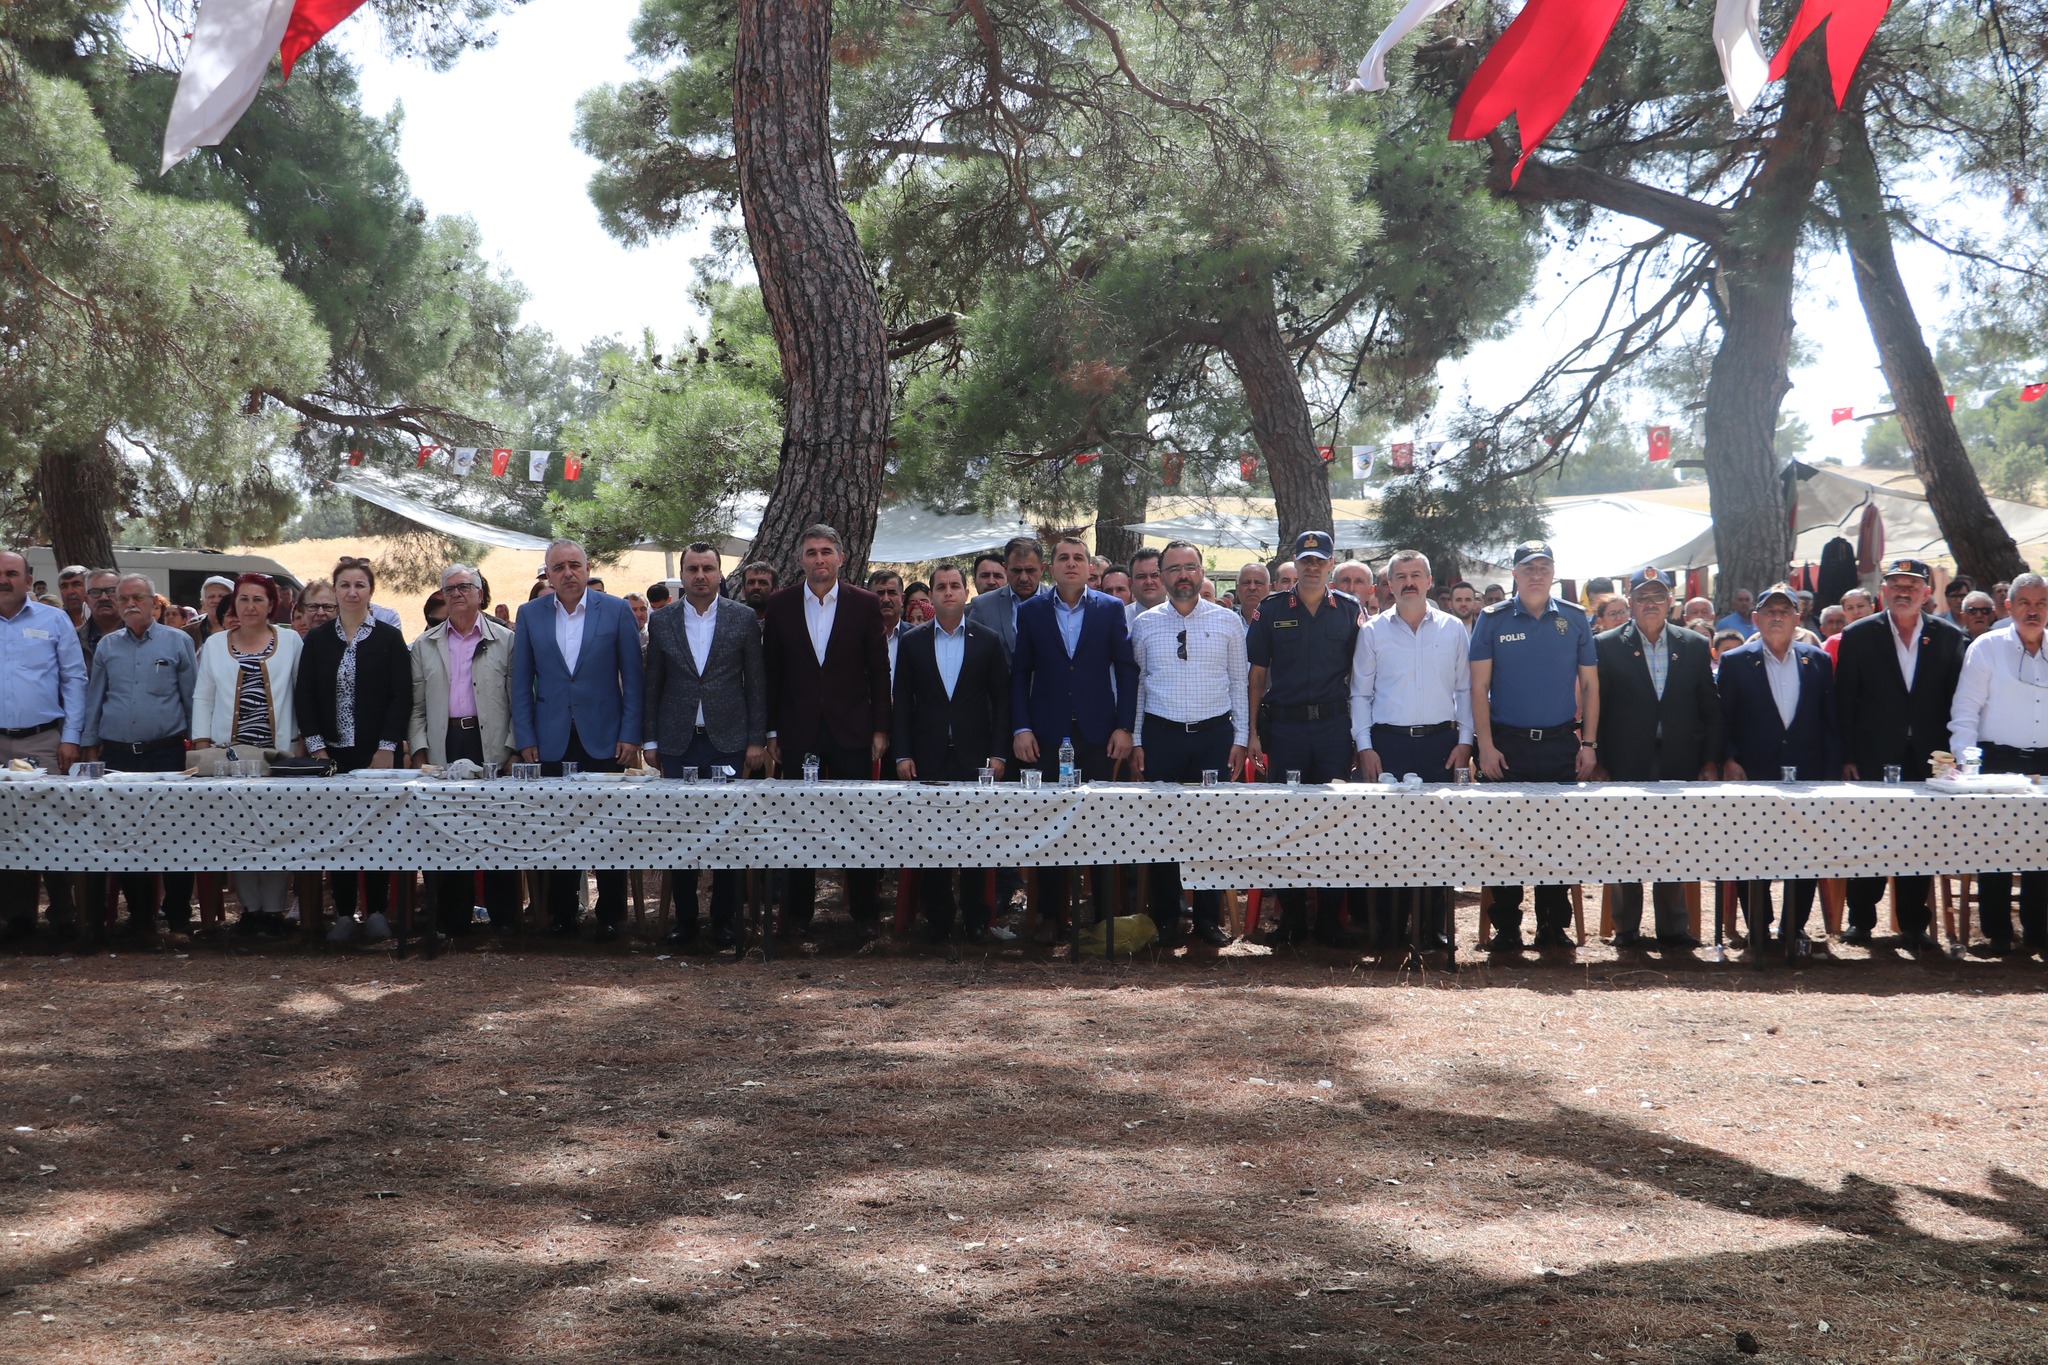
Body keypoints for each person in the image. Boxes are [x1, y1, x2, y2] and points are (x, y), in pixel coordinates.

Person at [511, 539, 645, 941]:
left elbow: (634, 680)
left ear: (587, 569)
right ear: (548, 575)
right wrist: (525, 736)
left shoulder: (616, 610)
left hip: (606, 738)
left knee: (609, 829)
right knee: (557, 827)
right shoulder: (530, 614)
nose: (568, 573)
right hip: (549, 739)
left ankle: (611, 915)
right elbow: (521, 682)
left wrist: (630, 733)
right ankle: (562, 913)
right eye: (558, 567)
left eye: (574, 565)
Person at [1468, 541, 1599, 952]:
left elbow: (1590, 685)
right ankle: (1506, 928)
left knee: (1557, 840)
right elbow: (1478, 687)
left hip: (1560, 743)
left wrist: (1589, 743)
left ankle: (1552, 926)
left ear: (1554, 572)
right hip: (1507, 745)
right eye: (1528, 568)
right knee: (1503, 840)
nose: (1537, 575)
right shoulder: (1492, 619)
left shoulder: (1574, 618)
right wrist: (1485, 746)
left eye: (1544, 567)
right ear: (1515, 574)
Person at [1833, 557, 1968, 952]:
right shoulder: (1858, 634)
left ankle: (1913, 924)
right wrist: (1848, 755)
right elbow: (1845, 701)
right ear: (1883, 592)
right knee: (1869, 836)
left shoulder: (1948, 636)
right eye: (1896, 585)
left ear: (1927, 593)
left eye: (1912, 586)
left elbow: (1956, 701)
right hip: (1873, 756)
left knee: (1919, 838)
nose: (1903, 592)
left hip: (1930, 759)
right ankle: (1861, 921)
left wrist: (1954, 755)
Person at [763, 525, 891, 935]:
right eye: (811, 552)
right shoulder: (780, 604)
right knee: (799, 823)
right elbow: (772, 673)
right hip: (798, 731)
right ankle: (797, 915)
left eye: (826, 551)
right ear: (800, 559)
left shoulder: (864, 603)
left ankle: (865, 913)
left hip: (852, 730)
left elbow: (879, 670)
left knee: (858, 822)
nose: (819, 559)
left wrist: (880, 729)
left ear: (840, 558)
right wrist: (771, 732)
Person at [642, 543, 766, 951]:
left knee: (727, 834)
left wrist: (755, 740)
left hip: (727, 742)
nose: (700, 576)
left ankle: (724, 920)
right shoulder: (663, 620)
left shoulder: (742, 618)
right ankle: (686, 920)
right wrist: (651, 739)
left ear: (719, 574)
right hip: (677, 742)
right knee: (681, 834)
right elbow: (653, 683)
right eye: (693, 569)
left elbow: (756, 683)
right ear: (682, 575)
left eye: (707, 568)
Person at [1012, 536, 1136, 932]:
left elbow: (1126, 670)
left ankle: (1103, 918)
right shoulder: (1031, 611)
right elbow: (1020, 674)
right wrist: (1022, 727)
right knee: (1051, 827)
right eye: (1063, 558)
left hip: (1099, 735)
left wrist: (1125, 726)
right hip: (1047, 736)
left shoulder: (1110, 608)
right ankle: (1051, 916)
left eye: (1078, 558)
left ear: (1089, 568)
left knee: (1101, 825)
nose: (1071, 564)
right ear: (1051, 568)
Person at [1592, 567, 1721, 949]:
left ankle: (1674, 928)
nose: (1651, 603)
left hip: (1680, 758)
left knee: (1674, 841)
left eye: (1658, 596)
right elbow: (1598, 707)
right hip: (1625, 759)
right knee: (1624, 841)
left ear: (1671, 602)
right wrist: (1598, 759)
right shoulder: (1607, 645)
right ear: (1631, 602)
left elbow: (1710, 708)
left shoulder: (1694, 644)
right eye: (1643, 597)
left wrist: (1710, 760)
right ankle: (1626, 928)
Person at [1351, 547, 1472, 953]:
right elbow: (1360, 694)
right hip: (1389, 745)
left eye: (1415, 575)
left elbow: (1465, 689)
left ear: (1428, 580)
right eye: (1400, 576)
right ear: (1389, 584)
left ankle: (1431, 928)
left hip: (1441, 745)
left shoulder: (1453, 629)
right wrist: (1365, 747)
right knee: (1389, 839)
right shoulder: (1373, 631)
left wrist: (1465, 741)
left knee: (1438, 838)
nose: (1408, 583)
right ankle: (1390, 930)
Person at [1131, 540, 1248, 948]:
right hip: (1161, 736)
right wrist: (1138, 739)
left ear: (1202, 572)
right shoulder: (1144, 624)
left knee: (1211, 828)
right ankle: (1166, 918)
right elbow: (1139, 686)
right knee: (1162, 829)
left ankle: (1207, 920)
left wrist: (1240, 739)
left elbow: (1239, 683)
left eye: (1190, 567)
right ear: (1162, 576)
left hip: (1214, 737)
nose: (1183, 575)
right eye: (1174, 568)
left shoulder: (1228, 622)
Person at [1718, 584, 1840, 963]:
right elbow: (1722, 720)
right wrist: (1728, 759)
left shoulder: (1817, 661)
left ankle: (1793, 927)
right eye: (1769, 611)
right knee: (1750, 851)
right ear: (1755, 619)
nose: (1776, 617)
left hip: (1807, 773)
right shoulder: (1736, 661)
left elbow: (1830, 722)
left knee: (1805, 851)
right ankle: (1758, 926)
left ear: (1797, 619)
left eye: (1784, 611)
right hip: (1753, 773)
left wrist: (1831, 773)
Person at [892, 563, 1010, 942]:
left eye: (955, 586)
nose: (948, 592)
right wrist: (902, 754)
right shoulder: (912, 641)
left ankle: (976, 918)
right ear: (932, 594)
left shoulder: (988, 640)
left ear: (965, 593)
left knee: (975, 839)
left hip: (975, 757)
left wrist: (999, 754)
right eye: (941, 586)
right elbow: (901, 702)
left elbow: (1002, 702)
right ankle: (939, 919)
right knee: (932, 840)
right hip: (927, 756)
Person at [298, 557, 414, 942]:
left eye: (359, 585)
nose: (352, 592)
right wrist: (317, 749)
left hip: (376, 753)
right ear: (335, 591)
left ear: (370, 591)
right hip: (331, 756)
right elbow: (305, 697)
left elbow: (401, 696)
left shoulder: (388, 638)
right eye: (345, 585)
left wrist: (386, 748)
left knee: (377, 830)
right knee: (339, 832)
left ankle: (377, 910)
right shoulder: (317, 640)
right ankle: (345, 913)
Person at [78, 573, 197, 939]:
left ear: (153, 602)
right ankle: (141, 916)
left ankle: (178, 916)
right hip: (118, 756)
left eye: (138, 597)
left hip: (166, 755)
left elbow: (191, 699)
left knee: (174, 834)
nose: (130, 604)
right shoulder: (107, 646)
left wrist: (198, 747)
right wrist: (89, 745)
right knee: (125, 835)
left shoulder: (178, 641)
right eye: (123, 598)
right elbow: (96, 699)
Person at [409, 564, 522, 938]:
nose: (457, 593)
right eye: (450, 589)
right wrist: (420, 751)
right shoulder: (424, 645)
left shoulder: (506, 641)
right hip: (445, 743)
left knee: (499, 828)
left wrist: (513, 749)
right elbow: (417, 707)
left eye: (465, 587)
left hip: (490, 743)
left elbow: (518, 701)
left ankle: (505, 919)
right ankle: (451, 921)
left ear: (480, 594)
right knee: (447, 831)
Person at [193, 573, 304, 935]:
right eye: (243, 599)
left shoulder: (290, 641)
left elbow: (302, 692)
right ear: (234, 604)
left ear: (272, 605)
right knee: (238, 831)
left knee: (276, 831)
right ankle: (250, 910)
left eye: (258, 599)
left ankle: (273, 910)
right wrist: (201, 744)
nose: (250, 606)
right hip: (228, 758)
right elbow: (204, 696)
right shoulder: (215, 645)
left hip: (278, 756)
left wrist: (302, 742)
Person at [1949, 572, 2048, 956]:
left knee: (2044, 849)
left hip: (2045, 761)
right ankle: (1997, 934)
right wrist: (1965, 762)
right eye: (2025, 603)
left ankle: (2039, 931)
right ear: (2008, 607)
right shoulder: (1987, 647)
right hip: (1997, 760)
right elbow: (1965, 711)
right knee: (1997, 847)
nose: (2033, 611)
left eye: (2041, 604)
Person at [0, 551, 85, 942]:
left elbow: (74, 679)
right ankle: (17, 917)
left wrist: (71, 737)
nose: (3, 580)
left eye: (11, 573)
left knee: (52, 824)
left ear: (28, 579)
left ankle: (64, 915)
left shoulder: (53, 620)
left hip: (44, 740)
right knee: (6, 827)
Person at [964, 536, 1051, 655]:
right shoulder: (983, 606)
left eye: (1030, 570)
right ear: (1005, 569)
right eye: (1016, 570)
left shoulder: (1059, 600)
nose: (1023, 578)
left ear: (1042, 569)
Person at [867, 569, 907, 687]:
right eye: (880, 593)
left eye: (892, 593)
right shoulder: (857, 637)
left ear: (902, 599)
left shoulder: (917, 638)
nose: (886, 599)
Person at [77, 569, 121, 667]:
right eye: (95, 592)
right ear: (86, 600)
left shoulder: (139, 635)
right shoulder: (73, 638)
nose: (103, 597)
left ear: (123, 596)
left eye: (111, 591)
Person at [1825, 588, 1876, 664]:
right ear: (1844, 613)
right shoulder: (1835, 642)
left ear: (1872, 608)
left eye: (1860, 606)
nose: (1856, 612)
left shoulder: (1885, 636)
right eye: (1850, 608)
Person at [187, 574, 236, 652]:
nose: (216, 601)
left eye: (221, 596)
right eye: (211, 596)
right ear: (203, 602)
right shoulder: (189, 632)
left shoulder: (243, 629)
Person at [1127, 547, 1167, 617]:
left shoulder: (1183, 615)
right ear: (1131, 583)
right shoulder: (1120, 618)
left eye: (1155, 575)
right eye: (1141, 576)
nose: (1149, 582)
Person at [56, 565, 88, 630]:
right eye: (64, 586)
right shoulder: (54, 622)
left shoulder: (103, 619)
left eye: (76, 585)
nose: (70, 592)